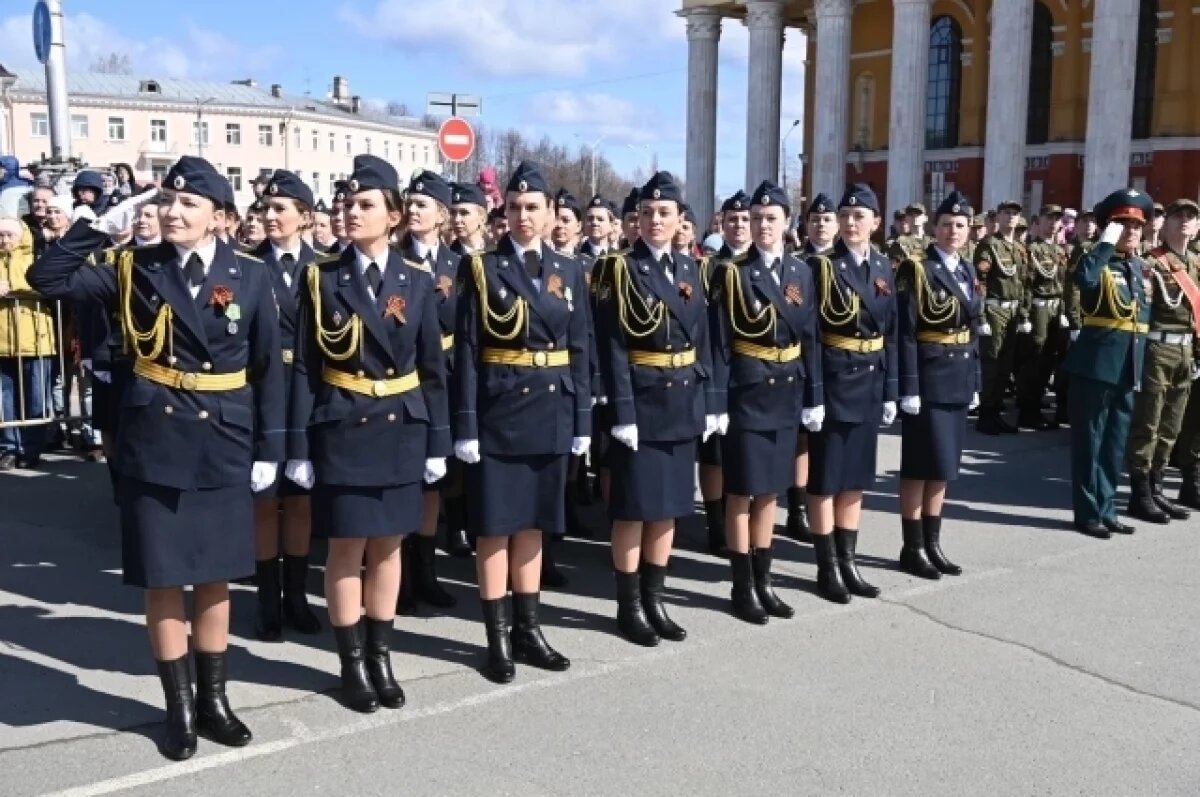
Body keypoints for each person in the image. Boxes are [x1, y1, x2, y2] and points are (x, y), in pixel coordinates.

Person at [29, 156, 286, 760]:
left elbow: (269, 369)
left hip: (223, 439)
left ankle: (214, 701)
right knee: (166, 579)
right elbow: (48, 277)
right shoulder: (129, 268)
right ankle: (179, 710)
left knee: (216, 578)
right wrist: (98, 225)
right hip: (156, 441)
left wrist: (270, 448)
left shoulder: (247, 277)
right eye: (167, 201)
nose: (173, 211)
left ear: (219, 218)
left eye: (189, 204)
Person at [286, 154, 450, 712]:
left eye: (364, 205)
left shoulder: (418, 280)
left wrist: (438, 441)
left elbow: (432, 368)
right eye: (346, 205)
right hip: (343, 430)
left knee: (388, 550)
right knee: (345, 550)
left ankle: (382, 656)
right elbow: (306, 367)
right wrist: (297, 447)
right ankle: (351, 662)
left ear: (394, 215)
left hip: (401, 427)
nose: (350, 213)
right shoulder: (321, 277)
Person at [452, 160, 591, 682]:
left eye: (533, 207)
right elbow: (467, 350)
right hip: (498, 414)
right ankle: (497, 639)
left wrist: (581, 421)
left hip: (552, 411)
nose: (523, 216)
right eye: (514, 207)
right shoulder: (482, 269)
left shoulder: (569, 269)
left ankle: (529, 630)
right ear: (502, 213)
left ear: (553, 214)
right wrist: (465, 427)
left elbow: (581, 348)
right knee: (494, 530)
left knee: (534, 527)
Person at [593, 171, 710, 647]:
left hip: (681, 400)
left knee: (669, 510)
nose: (655, 220)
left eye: (664, 213)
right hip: (640, 404)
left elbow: (701, 341)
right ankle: (629, 604)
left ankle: (655, 597)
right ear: (635, 220)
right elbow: (612, 346)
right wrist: (621, 413)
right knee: (633, 511)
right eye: (647, 213)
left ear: (681, 219)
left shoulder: (691, 269)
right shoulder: (618, 269)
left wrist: (707, 402)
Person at [708, 181, 819, 624]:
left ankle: (763, 578)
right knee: (741, 492)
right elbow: (717, 344)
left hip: (787, 390)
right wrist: (715, 404)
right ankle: (742, 585)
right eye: (756, 219)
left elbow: (809, 336)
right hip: (748, 393)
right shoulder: (732, 273)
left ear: (788, 223)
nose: (763, 226)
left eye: (771, 218)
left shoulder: (802, 273)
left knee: (770, 491)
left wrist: (814, 396)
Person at [804, 183, 898, 604]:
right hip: (836, 380)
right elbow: (810, 337)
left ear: (876, 223)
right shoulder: (819, 267)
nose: (850, 223)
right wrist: (815, 395)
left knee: (855, 481)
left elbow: (892, 332)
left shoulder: (882, 266)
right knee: (825, 480)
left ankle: (849, 561)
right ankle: (827, 568)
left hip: (870, 381)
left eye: (860, 217)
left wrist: (893, 389)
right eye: (845, 216)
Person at [244, 170, 323, 642]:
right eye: (265, 209)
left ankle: (297, 596)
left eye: (280, 210)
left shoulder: (325, 266)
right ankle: (266, 601)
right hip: (263, 391)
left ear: (305, 217)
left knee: (301, 501)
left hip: (310, 391)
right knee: (264, 500)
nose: (270, 217)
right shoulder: (246, 266)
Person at [895, 191, 981, 580]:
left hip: (958, 376)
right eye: (946, 224)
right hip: (928, 378)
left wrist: (976, 379)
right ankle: (912, 547)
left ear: (969, 230)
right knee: (918, 467)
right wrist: (908, 386)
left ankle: (933, 542)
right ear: (934, 228)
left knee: (943, 467)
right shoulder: (916, 269)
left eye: (960, 225)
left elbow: (973, 329)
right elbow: (907, 332)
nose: (953, 231)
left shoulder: (967, 270)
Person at [395, 169, 467, 610]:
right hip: (403, 381)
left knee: (433, 482)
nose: (413, 211)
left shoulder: (460, 266)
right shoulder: (394, 258)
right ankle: (399, 576)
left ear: (442, 214)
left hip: (444, 379)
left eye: (423, 205)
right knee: (404, 477)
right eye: (410, 204)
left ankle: (425, 570)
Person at [1064, 188, 1154, 539]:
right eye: (1123, 224)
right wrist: (1104, 244)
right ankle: (1087, 513)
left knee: (1115, 442)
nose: (1131, 231)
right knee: (1090, 441)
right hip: (1095, 364)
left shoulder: (1137, 267)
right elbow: (1082, 281)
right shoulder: (1094, 260)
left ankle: (1107, 507)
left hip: (1128, 365)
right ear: (1109, 227)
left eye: (1136, 225)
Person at [1124, 198, 1200, 523]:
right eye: (1177, 216)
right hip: (1156, 350)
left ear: (1198, 227)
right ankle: (1139, 493)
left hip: (1185, 351)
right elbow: (1139, 312)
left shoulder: (1196, 263)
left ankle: (1157, 488)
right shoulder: (1149, 264)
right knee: (1149, 422)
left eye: (1191, 217)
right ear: (1164, 224)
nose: (1184, 221)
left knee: (1172, 425)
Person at [697, 190, 751, 557]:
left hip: (753, 374)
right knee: (714, 455)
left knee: (746, 457)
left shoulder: (767, 263)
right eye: (732, 219)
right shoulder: (708, 267)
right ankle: (716, 523)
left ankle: (742, 523)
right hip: (718, 371)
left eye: (745, 219)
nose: (739, 225)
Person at [0, 216, 56, 471]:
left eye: (8, 235)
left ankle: (32, 449)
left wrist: (14, 288)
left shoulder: (38, 255)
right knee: (5, 399)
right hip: (2, 340)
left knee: (36, 398)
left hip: (36, 337)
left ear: (21, 236)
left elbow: (50, 284)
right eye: (0, 235)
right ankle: (9, 448)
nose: (4, 240)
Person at [973, 200, 1029, 435]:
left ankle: (995, 412)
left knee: (1006, 364)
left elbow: (1025, 283)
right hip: (995, 310)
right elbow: (979, 283)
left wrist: (1024, 313)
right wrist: (981, 316)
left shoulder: (1018, 248)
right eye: (1006, 213)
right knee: (991, 363)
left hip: (1014, 310)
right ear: (997, 218)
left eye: (1015, 214)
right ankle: (985, 415)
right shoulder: (989, 245)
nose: (1011, 218)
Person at [1016, 205, 1067, 431]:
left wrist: (1064, 311)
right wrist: (1025, 314)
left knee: (1049, 358)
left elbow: (1065, 284)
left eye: (1057, 220)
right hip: (1038, 308)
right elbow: (1025, 285)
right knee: (1034, 359)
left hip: (1056, 308)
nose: (1053, 224)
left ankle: (1036, 408)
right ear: (1038, 222)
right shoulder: (1030, 250)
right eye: (1049, 219)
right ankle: (1028, 411)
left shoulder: (1060, 250)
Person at [449, 183, 489, 257]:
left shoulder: (497, 253)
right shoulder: (448, 257)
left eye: (464, 213)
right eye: (453, 213)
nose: (456, 219)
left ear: (482, 217)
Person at [579, 195, 613, 260]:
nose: (594, 223)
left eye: (600, 219)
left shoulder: (618, 258)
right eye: (590, 219)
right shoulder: (576, 257)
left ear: (611, 225)